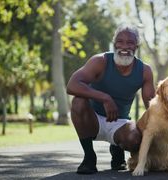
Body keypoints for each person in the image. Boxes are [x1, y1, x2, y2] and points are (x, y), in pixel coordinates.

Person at [66, 25, 155, 174]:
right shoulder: (100, 61)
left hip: (120, 123)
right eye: (120, 41)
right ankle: (89, 157)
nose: (124, 46)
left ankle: (117, 150)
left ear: (136, 46)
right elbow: (72, 85)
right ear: (114, 44)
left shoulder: (144, 70)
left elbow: (151, 106)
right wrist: (105, 98)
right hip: (92, 120)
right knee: (78, 101)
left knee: (134, 138)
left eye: (130, 42)